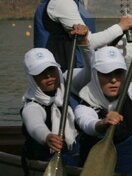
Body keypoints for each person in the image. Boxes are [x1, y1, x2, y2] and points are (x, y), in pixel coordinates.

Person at [20, 27, 94, 166]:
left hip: (77, 156)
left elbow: (92, 72)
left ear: (57, 69)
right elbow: (35, 125)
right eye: (41, 73)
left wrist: (84, 43)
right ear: (31, 78)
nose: (49, 76)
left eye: (51, 69)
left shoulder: (68, 80)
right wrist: (47, 137)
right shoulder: (32, 106)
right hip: (46, 161)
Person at [74, 46, 132, 174]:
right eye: (106, 74)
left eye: (118, 73)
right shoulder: (85, 103)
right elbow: (87, 123)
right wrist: (102, 123)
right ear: (95, 75)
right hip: (97, 169)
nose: (114, 80)